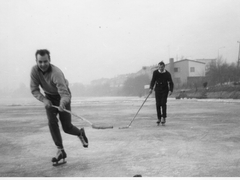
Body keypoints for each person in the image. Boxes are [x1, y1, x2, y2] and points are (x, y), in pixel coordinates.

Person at [30, 49, 88, 165]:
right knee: (52, 122)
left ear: (49, 60)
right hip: (49, 97)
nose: (43, 64)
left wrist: (62, 104)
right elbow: (34, 89)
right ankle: (60, 150)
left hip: (63, 95)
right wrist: (44, 99)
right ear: (36, 61)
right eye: (40, 62)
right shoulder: (34, 71)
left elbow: (65, 94)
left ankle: (80, 133)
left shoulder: (56, 73)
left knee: (67, 127)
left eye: (45, 61)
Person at [149, 61, 174, 125]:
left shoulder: (167, 74)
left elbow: (171, 82)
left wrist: (171, 90)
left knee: (163, 103)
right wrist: (151, 88)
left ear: (164, 67)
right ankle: (159, 118)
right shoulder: (155, 73)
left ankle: (163, 117)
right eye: (159, 67)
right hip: (157, 89)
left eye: (162, 67)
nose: (160, 68)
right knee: (158, 104)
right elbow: (153, 81)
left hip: (165, 90)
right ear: (158, 67)